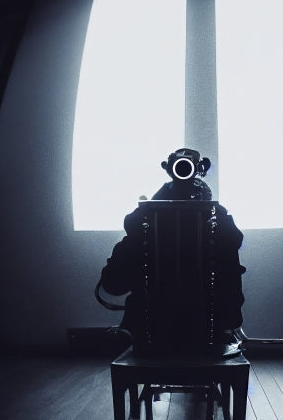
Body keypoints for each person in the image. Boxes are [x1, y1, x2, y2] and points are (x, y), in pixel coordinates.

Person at [97, 148, 246, 357]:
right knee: (134, 244)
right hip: (160, 291)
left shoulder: (208, 205)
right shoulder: (157, 203)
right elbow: (131, 227)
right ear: (169, 169)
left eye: (188, 166)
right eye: (179, 166)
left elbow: (234, 239)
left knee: (228, 254)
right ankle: (131, 327)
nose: (183, 171)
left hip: (201, 294)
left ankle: (223, 327)